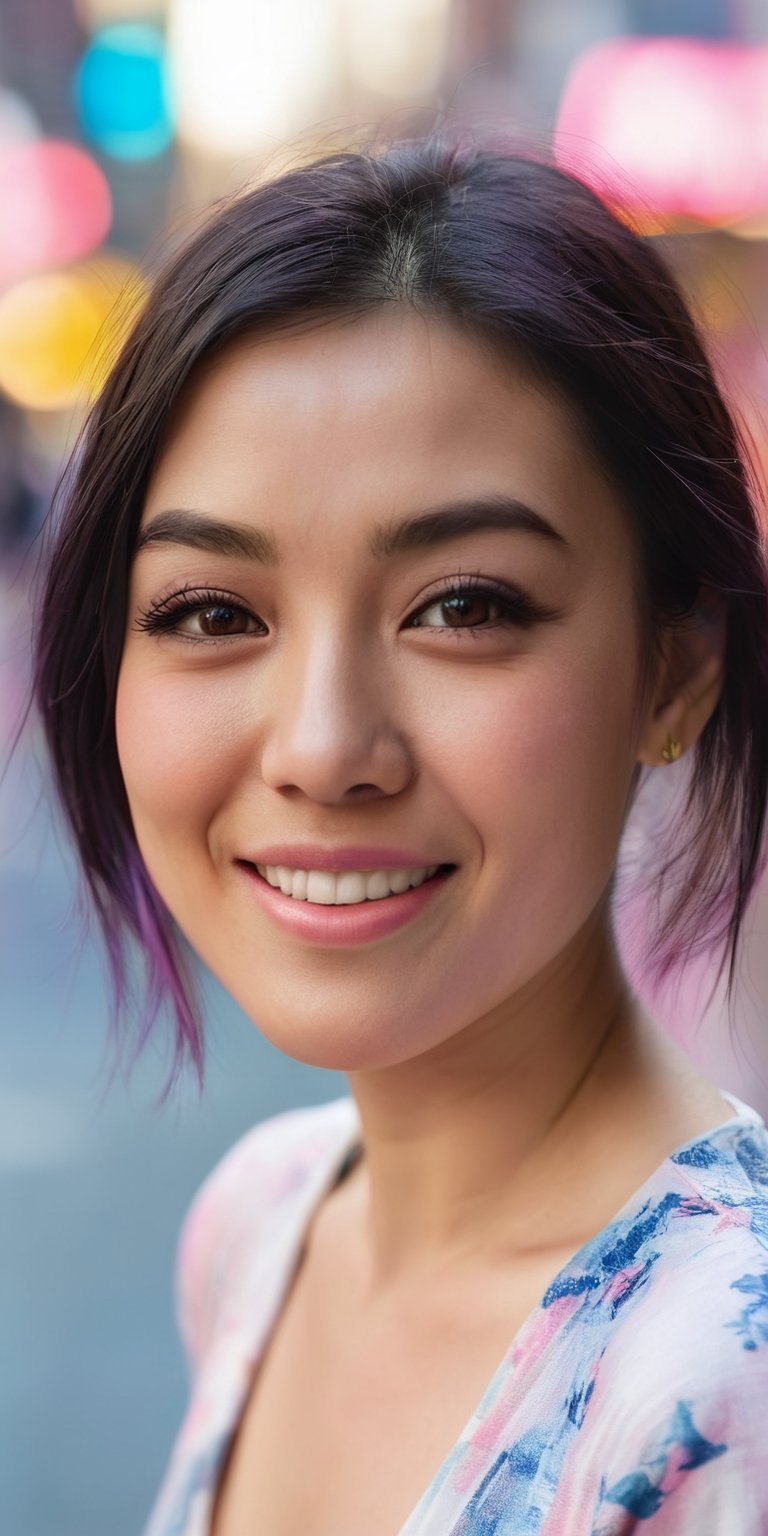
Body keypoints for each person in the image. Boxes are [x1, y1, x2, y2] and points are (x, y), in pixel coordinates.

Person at [33, 132, 768, 1535]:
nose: (322, 746)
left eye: (465, 605)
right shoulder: (266, 1222)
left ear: (673, 667)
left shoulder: (718, 1387)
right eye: (211, 612)